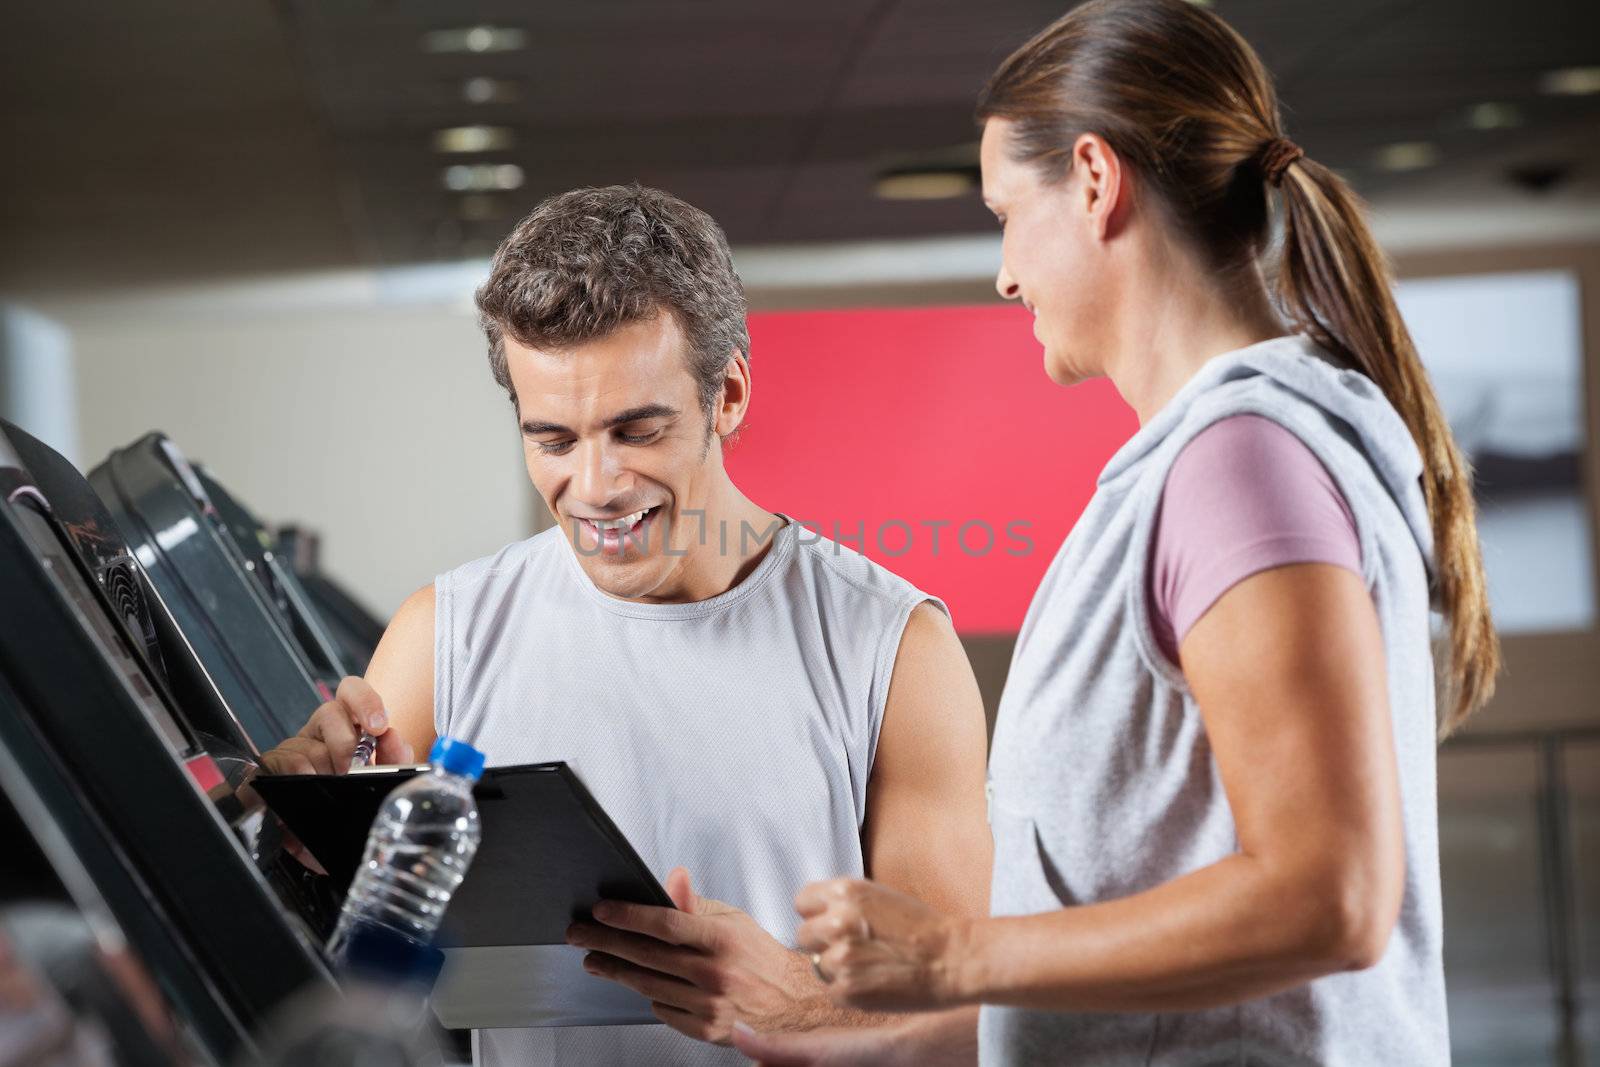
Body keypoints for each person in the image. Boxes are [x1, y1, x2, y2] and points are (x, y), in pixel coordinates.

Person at [735, 1, 1499, 1064]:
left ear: (1094, 180)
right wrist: (837, 1042)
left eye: (1006, 211)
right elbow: (1132, 974)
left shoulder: (1241, 461)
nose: (1004, 271)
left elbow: (1330, 896)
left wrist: (955, 951)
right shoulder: (1214, 457)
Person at [260, 185, 993, 1065]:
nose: (597, 485)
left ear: (727, 395)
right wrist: (299, 832)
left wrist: (803, 1008)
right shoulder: (442, 635)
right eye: (554, 440)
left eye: (636, 430)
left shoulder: (890, 647)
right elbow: (352, 971)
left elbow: (978, 1024)